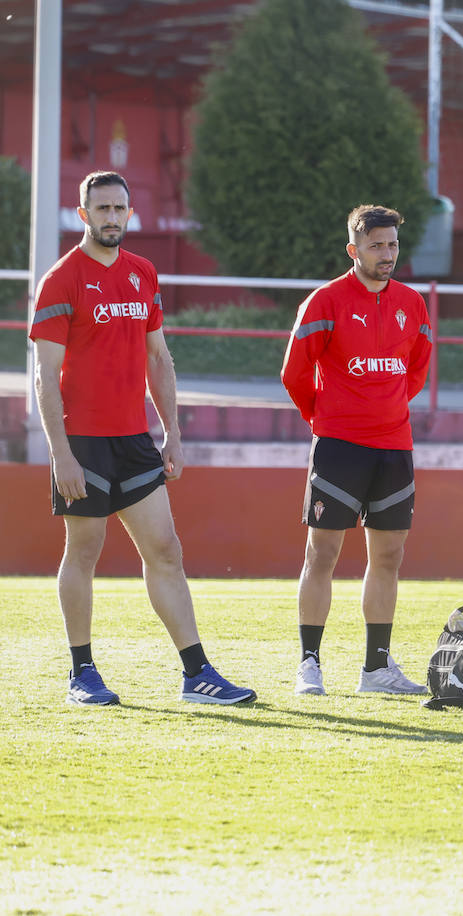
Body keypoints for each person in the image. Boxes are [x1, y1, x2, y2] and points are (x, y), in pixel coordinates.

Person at [28, 170, 256, 707]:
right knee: (83, 552)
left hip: (135, 441)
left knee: (166, 551)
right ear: (83, 215)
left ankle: (196, 673)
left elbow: (159, 357)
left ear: (130, 213)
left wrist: (172, 432)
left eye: (119, 209)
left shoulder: (143, 273)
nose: (111, 217)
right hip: (82, 444)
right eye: (101, 209)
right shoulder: (61, 279)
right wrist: (61, 455)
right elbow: (44, 377)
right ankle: (82, 673)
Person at [282, 204, 434, 696]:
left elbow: (416, 369)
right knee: (321, 554)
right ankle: (309, 664)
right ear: (354, 250)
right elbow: (294, 373)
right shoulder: (325, 301)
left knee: (388, 557)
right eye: (376, 246)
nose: (387, 254)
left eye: (392, 245)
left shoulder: (412, 303)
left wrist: (385, 405)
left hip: (394, 446)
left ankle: (376, 670)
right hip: (338, 446)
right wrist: (325, 416)